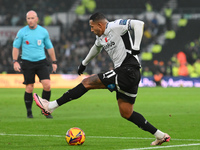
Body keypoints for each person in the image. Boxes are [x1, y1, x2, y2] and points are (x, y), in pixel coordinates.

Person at [33, 12, 170, 145]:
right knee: (126, 112)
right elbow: (96, 48)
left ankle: (50, 106)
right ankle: (160, 135)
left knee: (87, 82)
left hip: (128, 70)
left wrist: (136, 47)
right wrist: (83, 63)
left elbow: (139, 24)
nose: (91, 30)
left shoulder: (115, 26)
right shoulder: (100, 37)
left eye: (92, 27)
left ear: (100, 24)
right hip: (128, 75)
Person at [12, 10, 57, 118]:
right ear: (26, 20)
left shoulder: (43, 32)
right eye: (28, 18)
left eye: (32, 18)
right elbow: (16, 47)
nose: (30, 20)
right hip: (27, 62)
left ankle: (46, 110)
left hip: (41, 62)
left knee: (47, 85)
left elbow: (50, 47)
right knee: (29, 88)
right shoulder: (22, 32)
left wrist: (54, 62)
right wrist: (15, 61)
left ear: (37, 19)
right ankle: (29, 112)